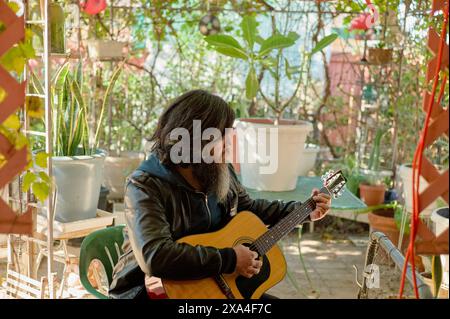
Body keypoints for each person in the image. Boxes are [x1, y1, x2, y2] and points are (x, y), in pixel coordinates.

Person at [109, 90, 331, 299]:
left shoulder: (218, 169)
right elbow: (156, 256)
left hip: (209, 284)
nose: (229, 143)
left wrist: (303, 211)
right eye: (222, 135)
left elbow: (248, 209)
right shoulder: (145, 186)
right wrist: (231, 259)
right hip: (146, 292)